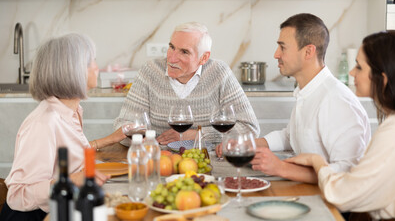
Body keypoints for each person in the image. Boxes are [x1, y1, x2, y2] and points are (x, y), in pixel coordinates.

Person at [217, 13, 371, 183]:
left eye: (283, 47)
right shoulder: (307, 91)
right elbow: (290, 137)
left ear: (308, 51)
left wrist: (282, 168)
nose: (276, 54)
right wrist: (249, 145)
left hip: (333, 203)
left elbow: (347, 172)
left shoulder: (337, 101)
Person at [0, 33, 125, 221]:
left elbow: (67, 156)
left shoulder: (71, 111)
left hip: (63, 206)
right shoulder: (44, 122)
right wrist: (71, 181)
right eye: (91, 61)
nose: (97, 68)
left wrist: (110, 140)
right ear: (72, 70)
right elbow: (17, 194)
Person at [285, 31, 395, 220]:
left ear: (382, 79)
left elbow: (343, 195)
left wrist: (317, 162)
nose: (351, 72)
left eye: (359, 67)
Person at [114, 22, 260, 146]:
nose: (172, 58)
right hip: (160, 158)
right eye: (172, 47)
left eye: (184, 52)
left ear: (204, 58)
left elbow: (249, 128)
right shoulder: (150, 71)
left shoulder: (219, 72)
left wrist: (197, 135)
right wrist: (144, 140)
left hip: (208, 159)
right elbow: (122, 125)